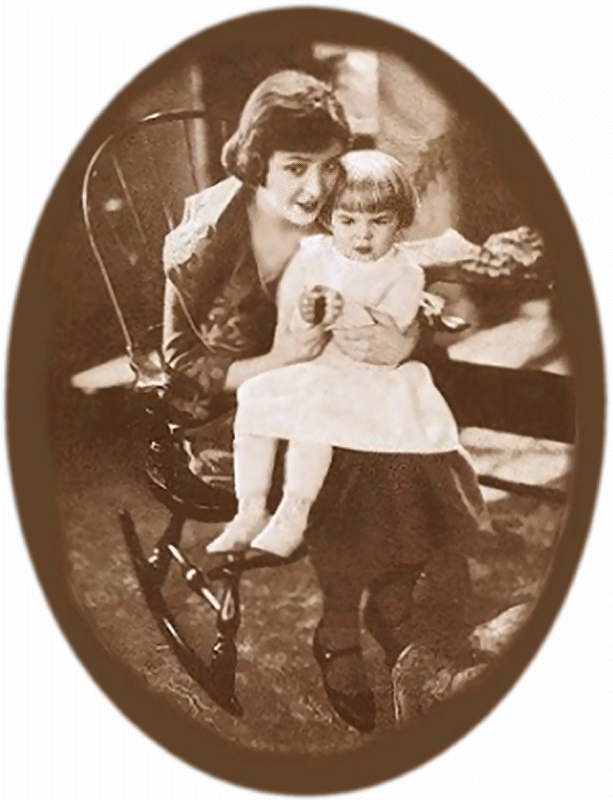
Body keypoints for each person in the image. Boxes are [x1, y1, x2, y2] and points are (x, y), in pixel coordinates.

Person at [161, 70, 528, 733]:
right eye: (295, 167)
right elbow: (179, 372)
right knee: (371, 455)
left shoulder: (330, 218)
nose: (316, 186)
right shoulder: (208, 239)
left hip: (330, 381)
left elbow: (376, 279)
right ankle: (342, 628)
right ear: (257, 161)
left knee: (414, 414)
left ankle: (397, 601)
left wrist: (404, 335)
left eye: (329, 165)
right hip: (237, 414)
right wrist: (278, 359)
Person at [206, 149, 481, 560]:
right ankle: (250, 508)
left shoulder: (404, 272)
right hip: (320, 363)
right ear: (329, 219)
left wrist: (347, 310)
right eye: (348, 221)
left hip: (370, 374)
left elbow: (387, 336)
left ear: (400, 222)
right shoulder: (314, 256)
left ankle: (294, 512)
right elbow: (295, 327)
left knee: (315, 416)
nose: (362, 236)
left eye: (379, 222)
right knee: (256, 394)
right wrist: (308, 314)